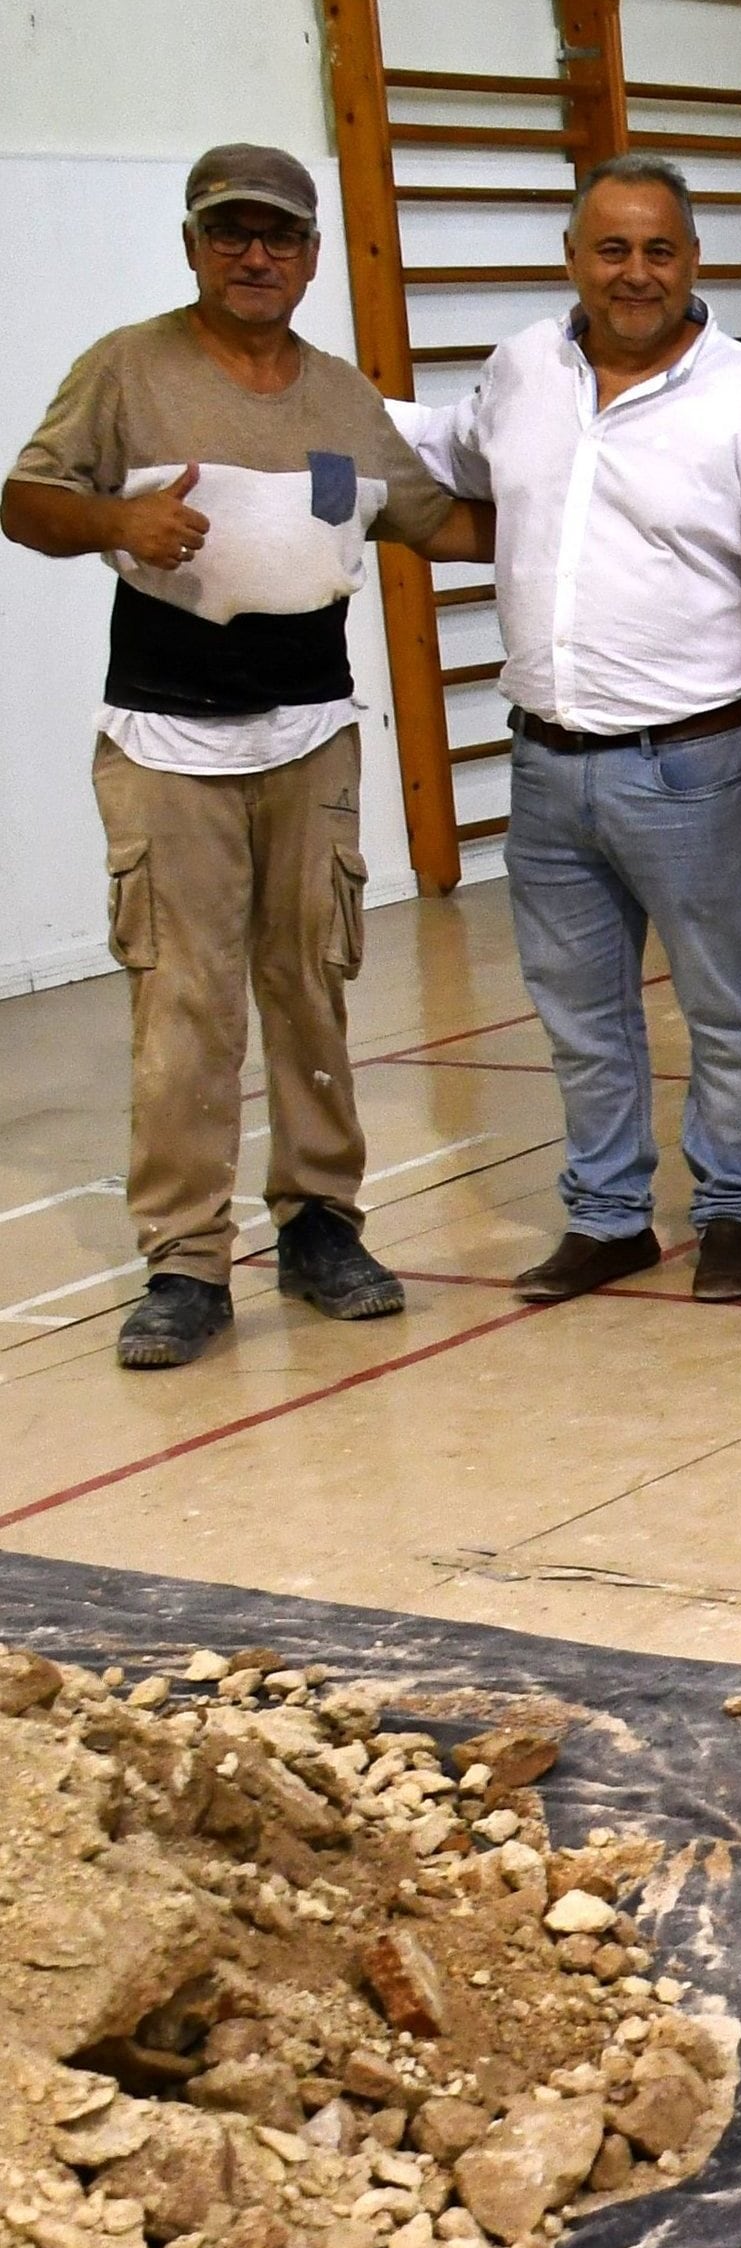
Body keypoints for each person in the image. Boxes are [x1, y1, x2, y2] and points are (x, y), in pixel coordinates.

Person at [3, 146, 483, 1370]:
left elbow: (435, 522)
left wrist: (608, 521)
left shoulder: (342, 399)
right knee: (183, 1000)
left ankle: (323, 1223)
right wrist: (114, 520)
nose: (255, 256)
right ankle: (185, 1263)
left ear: (314, 255)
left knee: (310, 980)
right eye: (231, 235)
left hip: (310, 736)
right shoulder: (127, 368)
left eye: (279, 236)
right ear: (193, 248)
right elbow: (26, 499)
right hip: (165, 740)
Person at [447, 155, 741, 1311]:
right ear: (573, 258)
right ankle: (609, 1218)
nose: (636, 274)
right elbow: (452, 457)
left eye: (660, 250)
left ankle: (732, 1213)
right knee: (580, 1012)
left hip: (693, 764)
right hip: (548, 762)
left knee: (724, 1004)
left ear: (696, 263)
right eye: (613, 249)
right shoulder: (526, 368)